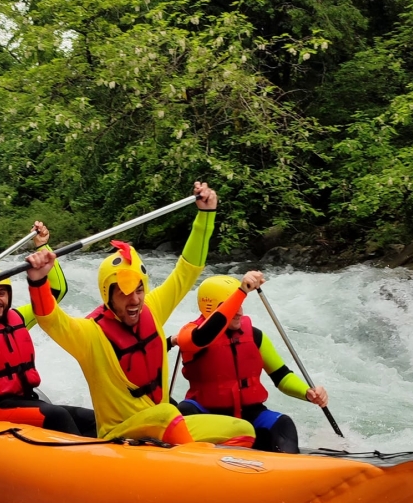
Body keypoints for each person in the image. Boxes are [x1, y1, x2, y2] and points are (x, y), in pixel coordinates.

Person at [25, 184, 256, 446]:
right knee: (168, 413)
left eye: (139, 290)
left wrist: (206, 215)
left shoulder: (152, 308)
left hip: (164, 427)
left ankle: (202, 465)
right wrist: (38, 281)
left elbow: (187, 271)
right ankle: (188, 462)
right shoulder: (90, 334)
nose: (134, 300)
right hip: (120, 435)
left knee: (243, 429)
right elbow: (50, 320)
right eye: (125, 293)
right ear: (108, 295)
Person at [0, 222, 96, 436]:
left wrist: (42, 247)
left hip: (26, 399)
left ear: (9, 295)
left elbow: (56, 292)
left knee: (91, 418)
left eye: (1, 293)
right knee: (57, 416)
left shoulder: (18, 317)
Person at [172, 274, 329, 453]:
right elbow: (202, 337)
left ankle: (288, 465)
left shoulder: (255, 336)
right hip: (205, 412)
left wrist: (307, 393)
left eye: (240, 305)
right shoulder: (190, 335)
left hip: (249, 414)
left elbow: (282, 376)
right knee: (184, 410)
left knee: (283, 424)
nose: (239, 312)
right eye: (232, 306)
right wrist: (242, 291)